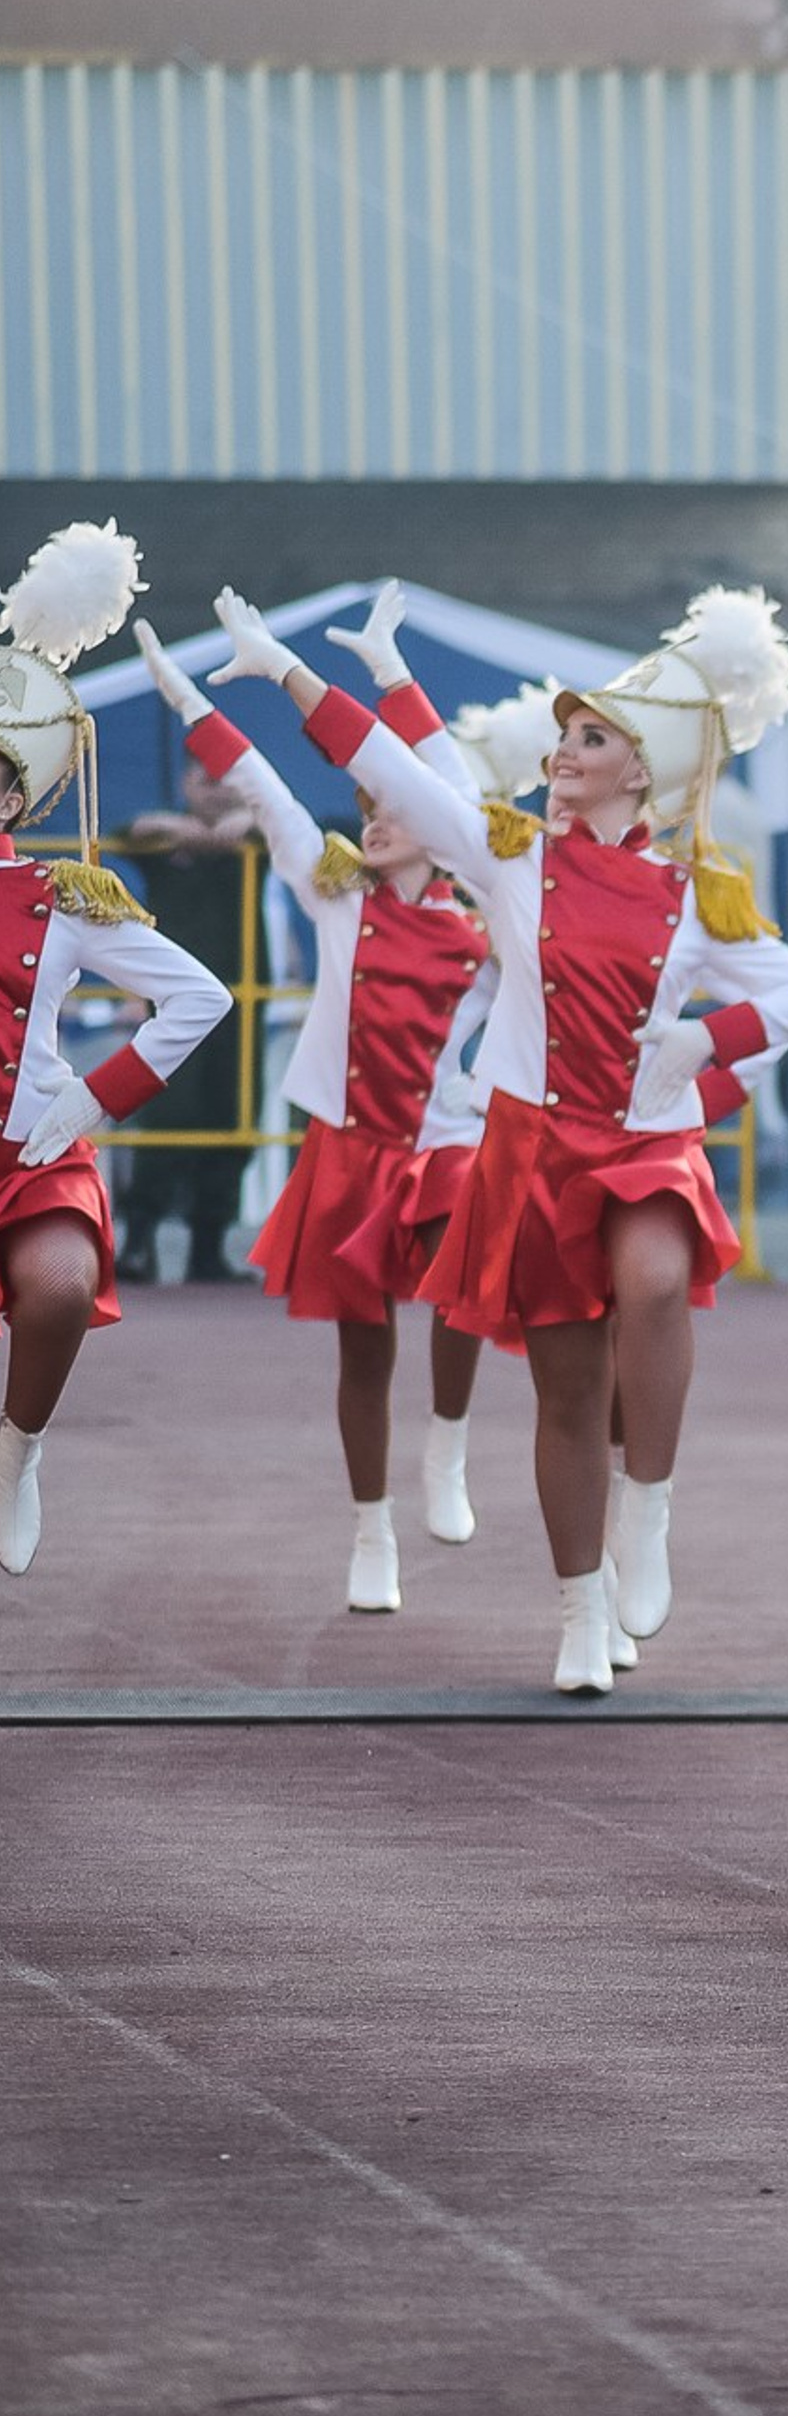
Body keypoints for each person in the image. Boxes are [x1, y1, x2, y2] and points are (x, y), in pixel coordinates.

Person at [210, 581, 788, 1694]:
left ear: (639, 770)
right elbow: (406, 773)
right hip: (538, 1156)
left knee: (653, 1279)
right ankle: (578, 1611)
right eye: (565, 734)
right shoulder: (514, 858)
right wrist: (290, 673)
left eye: (590, 737)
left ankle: (649, 1504)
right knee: (565, 1388)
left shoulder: (700, 893)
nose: (565, 749)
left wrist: (705, 1042)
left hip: (642, 1146)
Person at [135, 595, 497, 1615]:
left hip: (444, 1144)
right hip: (348, 1149)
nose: (374, 816)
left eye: (391, 809)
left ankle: (451, 1449)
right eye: (367, 807)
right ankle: (371, 1527)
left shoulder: (486, 930)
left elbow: (451, 787)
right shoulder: (334, 895)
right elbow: (263, 787)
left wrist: (393, 680)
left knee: (466, 1283)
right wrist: (178, 697)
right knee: (362, 1342)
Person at [1, 522, 233, 1572]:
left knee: (55, 1289)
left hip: (33, 1151)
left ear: (16, 796)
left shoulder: (61, 896)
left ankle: (18, 1450)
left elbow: (201, 996)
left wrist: (93, 1099)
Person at [110, 755, 261, 1285]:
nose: (218, 790)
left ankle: (208, 1249)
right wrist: (184, 831)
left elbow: (302, 830)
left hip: (242, 1004)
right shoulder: (163, 840)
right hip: (173, 1007)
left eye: (227, 780)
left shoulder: (256, 839)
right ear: (185, 784)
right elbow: (126, 832)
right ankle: (137, 1244)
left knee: (232, 1115)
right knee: (168, 1116)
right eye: (206, 779)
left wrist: (244, 824)